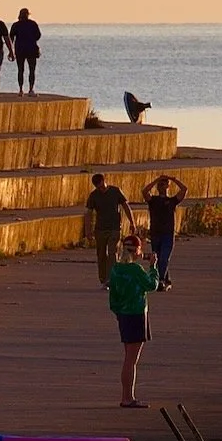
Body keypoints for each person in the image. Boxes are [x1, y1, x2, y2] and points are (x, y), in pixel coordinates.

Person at [106, 232, 158, 408]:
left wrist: (119, 313)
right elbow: (152, 284)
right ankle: (127, 397)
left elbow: (113, 298)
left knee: (128, 357)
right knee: (131, 360)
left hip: (123, 315)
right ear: (136, 251)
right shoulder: (135, 270)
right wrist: (153, 268)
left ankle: (127, 396)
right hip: (136, 314)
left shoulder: (116, 269)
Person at [83, 173, 131, 285]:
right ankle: (103, 278)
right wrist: (88, 231)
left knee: (112, 253)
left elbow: (125, 206)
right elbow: (88, 213)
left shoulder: (115, 191)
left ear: (105, 181)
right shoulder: (94, 196)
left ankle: (111, 278)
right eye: (98, 188)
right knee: (101, 255)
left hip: (114, 228)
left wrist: (132, 222)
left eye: (102, 186)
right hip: (100, 229)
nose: (101, 189)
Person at [141, 174, 186, 289]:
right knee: (157, 257)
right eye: (159, 184)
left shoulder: (171, 201)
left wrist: (173, 179)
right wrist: (156, 180)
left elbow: (184, 190)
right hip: (156, 233)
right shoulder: (153, 200)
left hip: (168, 233)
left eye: (163, 184)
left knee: (164, 257)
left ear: (167, 186)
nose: (161, 186)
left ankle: (161, 280)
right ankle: (166, 280)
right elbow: (145, 191)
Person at [9, 8, 43, 94]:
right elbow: (38, 36)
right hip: (31, 49)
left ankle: (21, 89)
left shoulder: (16, 25)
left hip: (20, 49)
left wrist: (11, 50)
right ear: (27, 15)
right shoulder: (32, 24)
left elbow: (11, 38)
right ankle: (31, 89)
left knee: (20, 70)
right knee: (32, 70)